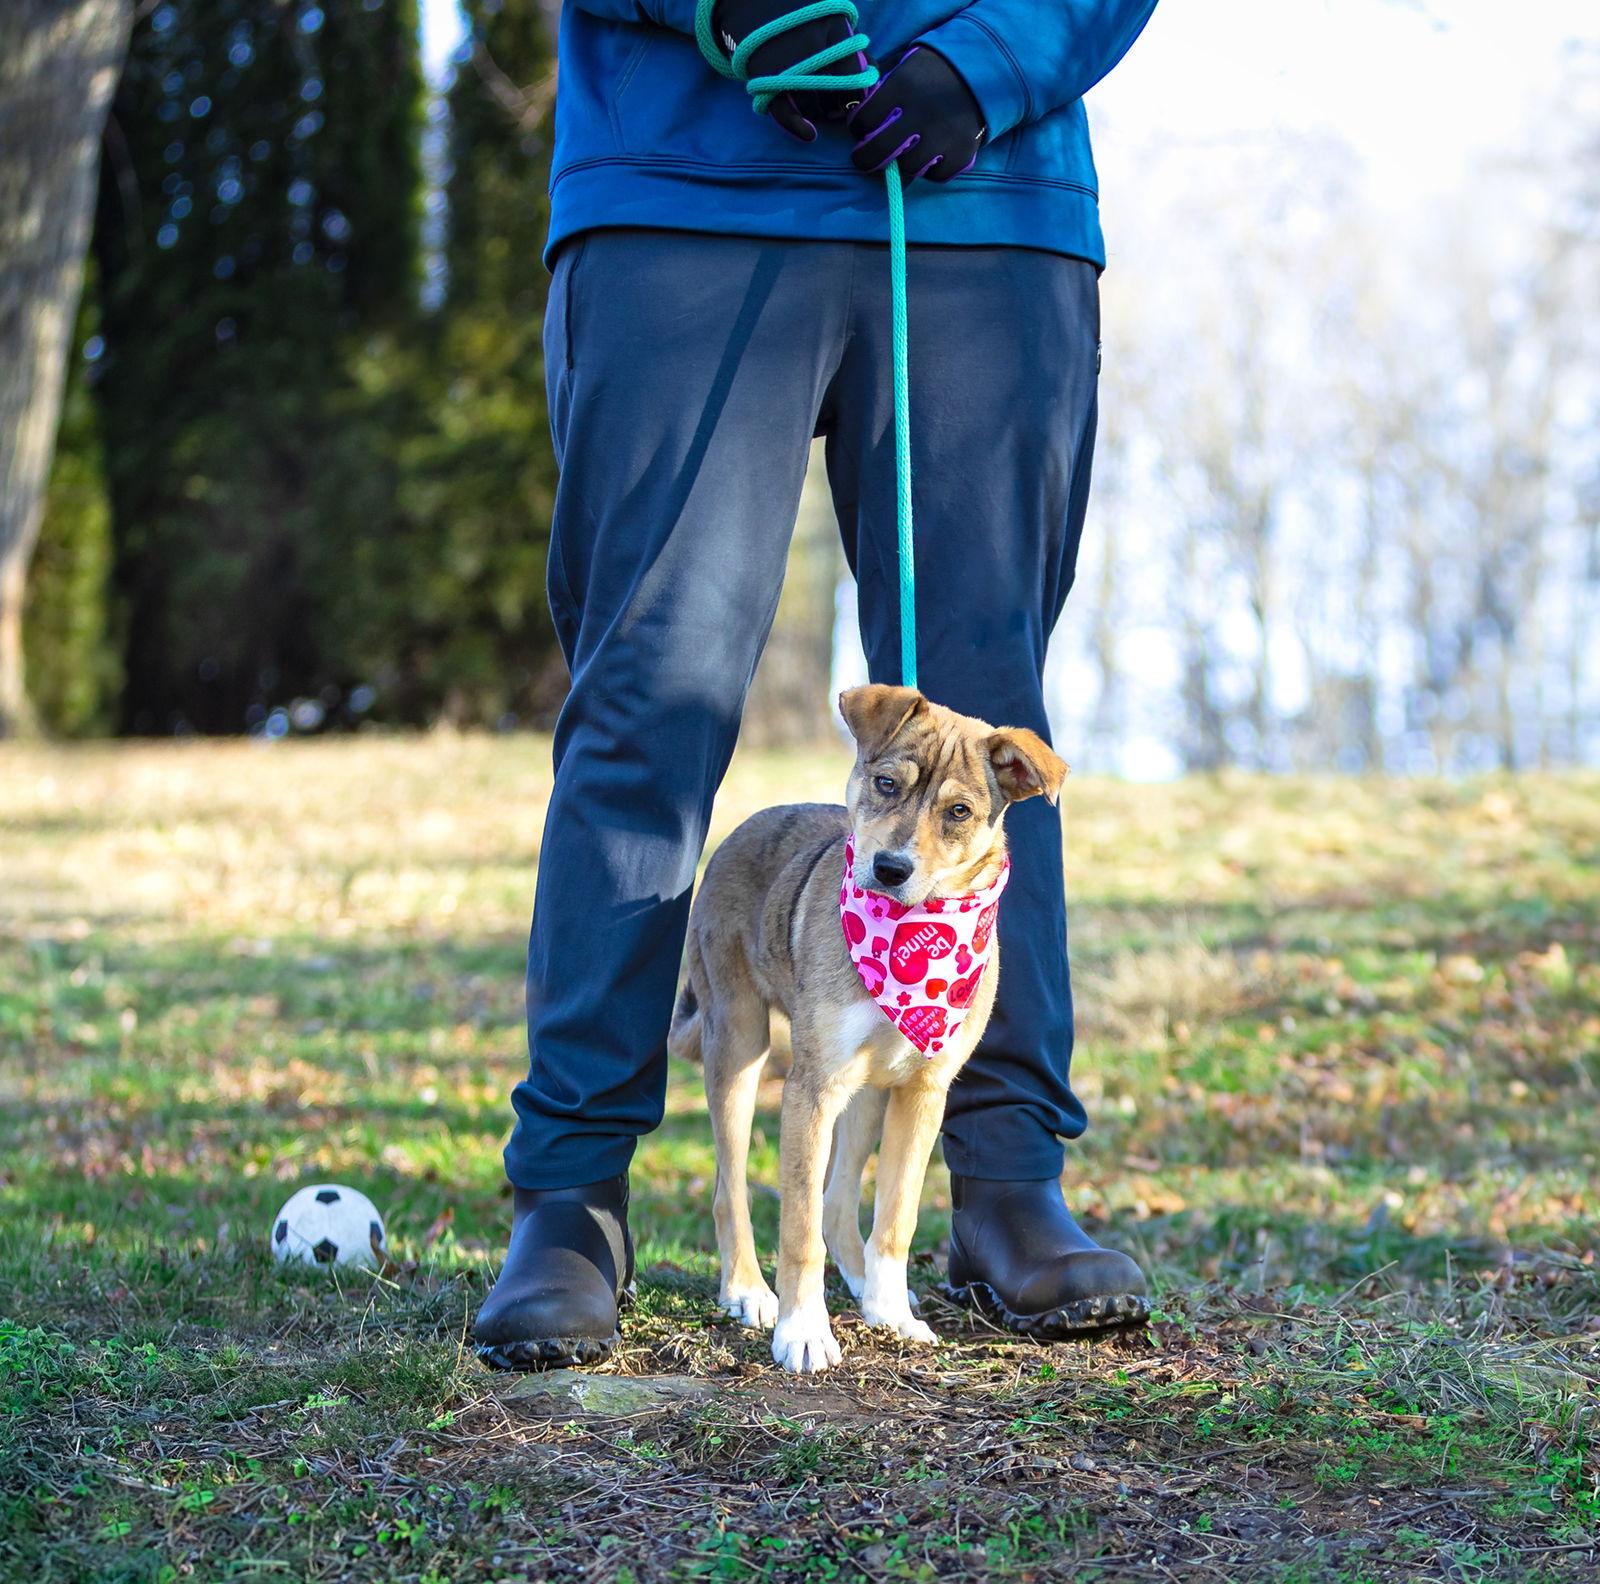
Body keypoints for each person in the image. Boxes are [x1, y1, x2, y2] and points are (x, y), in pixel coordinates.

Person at [473, 0, 1161, 1369]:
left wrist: (992, 61)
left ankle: (1006, 1177)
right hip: (683, 192)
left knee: (985, 718)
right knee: (647, 699)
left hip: (987, 196)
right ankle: (572, 1197)